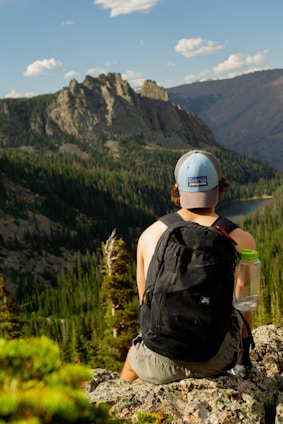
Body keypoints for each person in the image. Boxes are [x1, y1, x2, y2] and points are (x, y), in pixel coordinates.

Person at [120, 150, 256, 384]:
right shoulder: (241, 239)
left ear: (178, 188)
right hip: (216, 359)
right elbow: (247, 302)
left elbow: (146, 305)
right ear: (219, 187)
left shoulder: (149, 236)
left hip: (157, 364)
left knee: (130, 365)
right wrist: (243, 356)